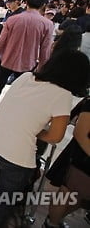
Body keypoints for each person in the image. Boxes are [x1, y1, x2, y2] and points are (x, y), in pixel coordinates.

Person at [0, 50, 90, 228]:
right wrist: (36, 132)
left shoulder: (26, 77)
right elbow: (56, 136)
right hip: (17, 158)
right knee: (2, 203)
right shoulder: (63, 95)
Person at [0, 0, 54, 117]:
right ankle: (12, 112)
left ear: (26, 2)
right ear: (43, 5)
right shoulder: (47, 24)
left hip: (7, 59)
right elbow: (45, 50)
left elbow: (0, 43)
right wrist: (41, 69)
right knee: (21, 90)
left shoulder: (13, 19)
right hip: (28, 63)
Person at [44, 97, 90, 228]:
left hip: (82, 159)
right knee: (67, 193)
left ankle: (55, 220)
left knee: (81, 198)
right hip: (80, 158)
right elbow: (80, 132)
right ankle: (52, 222)